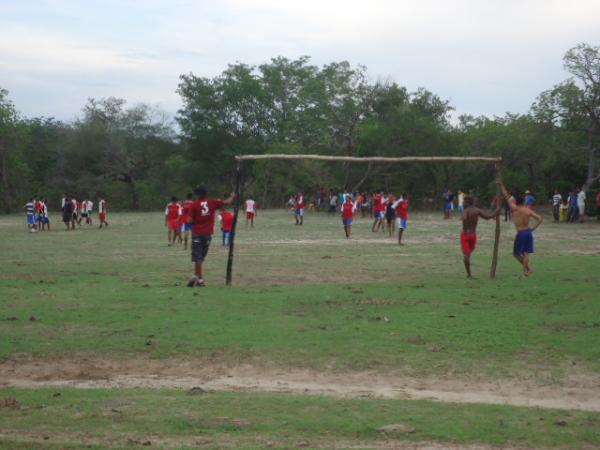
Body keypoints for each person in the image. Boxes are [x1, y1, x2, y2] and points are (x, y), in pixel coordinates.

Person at [186, 186, 235, 287]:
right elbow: (226, 202)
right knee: (200, 257)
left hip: (197, 233)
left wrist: (196, 220)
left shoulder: (194, 205)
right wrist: (232, 196)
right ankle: (196, 276)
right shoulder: (212, 202)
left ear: (197, 195)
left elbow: (189, 220)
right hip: (207, 234)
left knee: (197, 257)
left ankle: (199, 279)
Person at [499, 178, 543, 277]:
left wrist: (501, 185)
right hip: (528, 232)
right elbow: (540, 219)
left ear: (516, 202)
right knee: (526, 252)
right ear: (523, 202)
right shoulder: (528, 210)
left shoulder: (514, 208)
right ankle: (526, 271)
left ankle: (527, 269)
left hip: (521, 233)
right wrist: (533, 229)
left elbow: (506, 196)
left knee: (516, 253)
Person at [460, 196, 500, 278]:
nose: (463, 204)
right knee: (468, 253)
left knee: (466, 255)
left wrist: (464, 217)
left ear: (467, 203)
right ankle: (468, 267)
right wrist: (496, 212)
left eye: (464, 202)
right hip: (473, 235)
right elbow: (488, 217)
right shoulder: (477, 210)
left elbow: (464, 217)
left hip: (465, 235)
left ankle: (469, 274)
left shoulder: (465, 211)